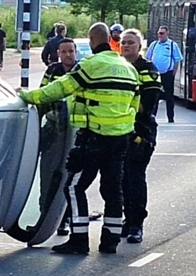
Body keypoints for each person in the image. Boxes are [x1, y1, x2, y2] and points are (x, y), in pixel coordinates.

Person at [19, 22, 140, 255]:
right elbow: (135, 104)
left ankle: (79, 239)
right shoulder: (127, 68)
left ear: (92, 41)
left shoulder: (90, 65)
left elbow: (58, 90)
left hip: (93, 137)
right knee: (113, 190)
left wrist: (26, 97)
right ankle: (110, 241)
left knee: (74, 187)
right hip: (120, 139)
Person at [119, 28, 160, 244]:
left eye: (131, 43)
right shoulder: (116, 67)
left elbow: (148, 105)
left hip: (140, 133)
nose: (126, 46)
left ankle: (136, 224)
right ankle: (125, 221)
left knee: (134, 178)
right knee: (120, 180)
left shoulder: (148, 70)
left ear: (140, 46)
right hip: (117, 132)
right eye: (123, 42)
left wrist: (120, 105)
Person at [39, 38, 79, 236]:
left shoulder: (82, 70)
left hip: (74, 131)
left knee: (71, 178)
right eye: (64, 52)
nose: (68, 55)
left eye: (71, 51)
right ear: (58, 53)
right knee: (48, 174)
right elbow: (43, 94)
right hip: (54, 129)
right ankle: (45, 217)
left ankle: (67, 218)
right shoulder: (53, 71)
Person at [146, 25, 183, 123]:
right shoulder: (153, 45)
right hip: (155, 75)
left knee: (169, 97)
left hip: (167, 74)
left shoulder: (172, 45)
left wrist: (173, 74)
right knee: (154, 96)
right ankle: (152, 116)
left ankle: (170, 118)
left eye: (162, 33)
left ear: (167, 33)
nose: (160, 35)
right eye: (159, 33)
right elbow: (148, 58)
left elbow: (177, 60)